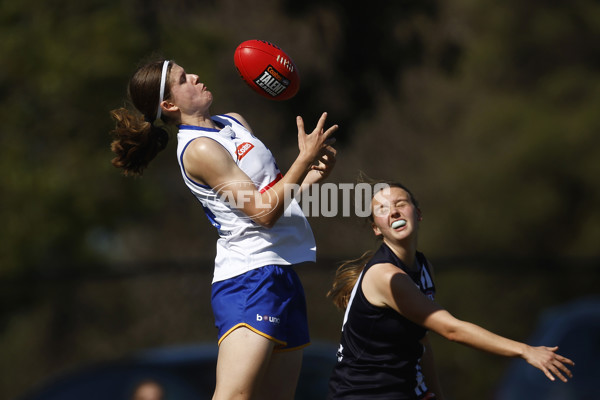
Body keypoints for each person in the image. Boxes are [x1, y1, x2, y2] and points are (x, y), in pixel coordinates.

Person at [109, 58, 338, 400]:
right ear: (169, 104)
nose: (196, 76)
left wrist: (310, 178)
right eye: (184, 78)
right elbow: (262, 214)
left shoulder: (233, 122)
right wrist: (302, 160)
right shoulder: (199, 149)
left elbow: (274, 198)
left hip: (281, 272)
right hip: (248, 278)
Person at [326, 181, 574, 400]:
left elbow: (422, 341)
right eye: (382, 209)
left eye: (401, 203)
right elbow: (451, 329)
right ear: (376, 229)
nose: (393, 211)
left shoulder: (423, 268)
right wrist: (525, 350)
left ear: (418, 213)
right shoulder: (386, 276)